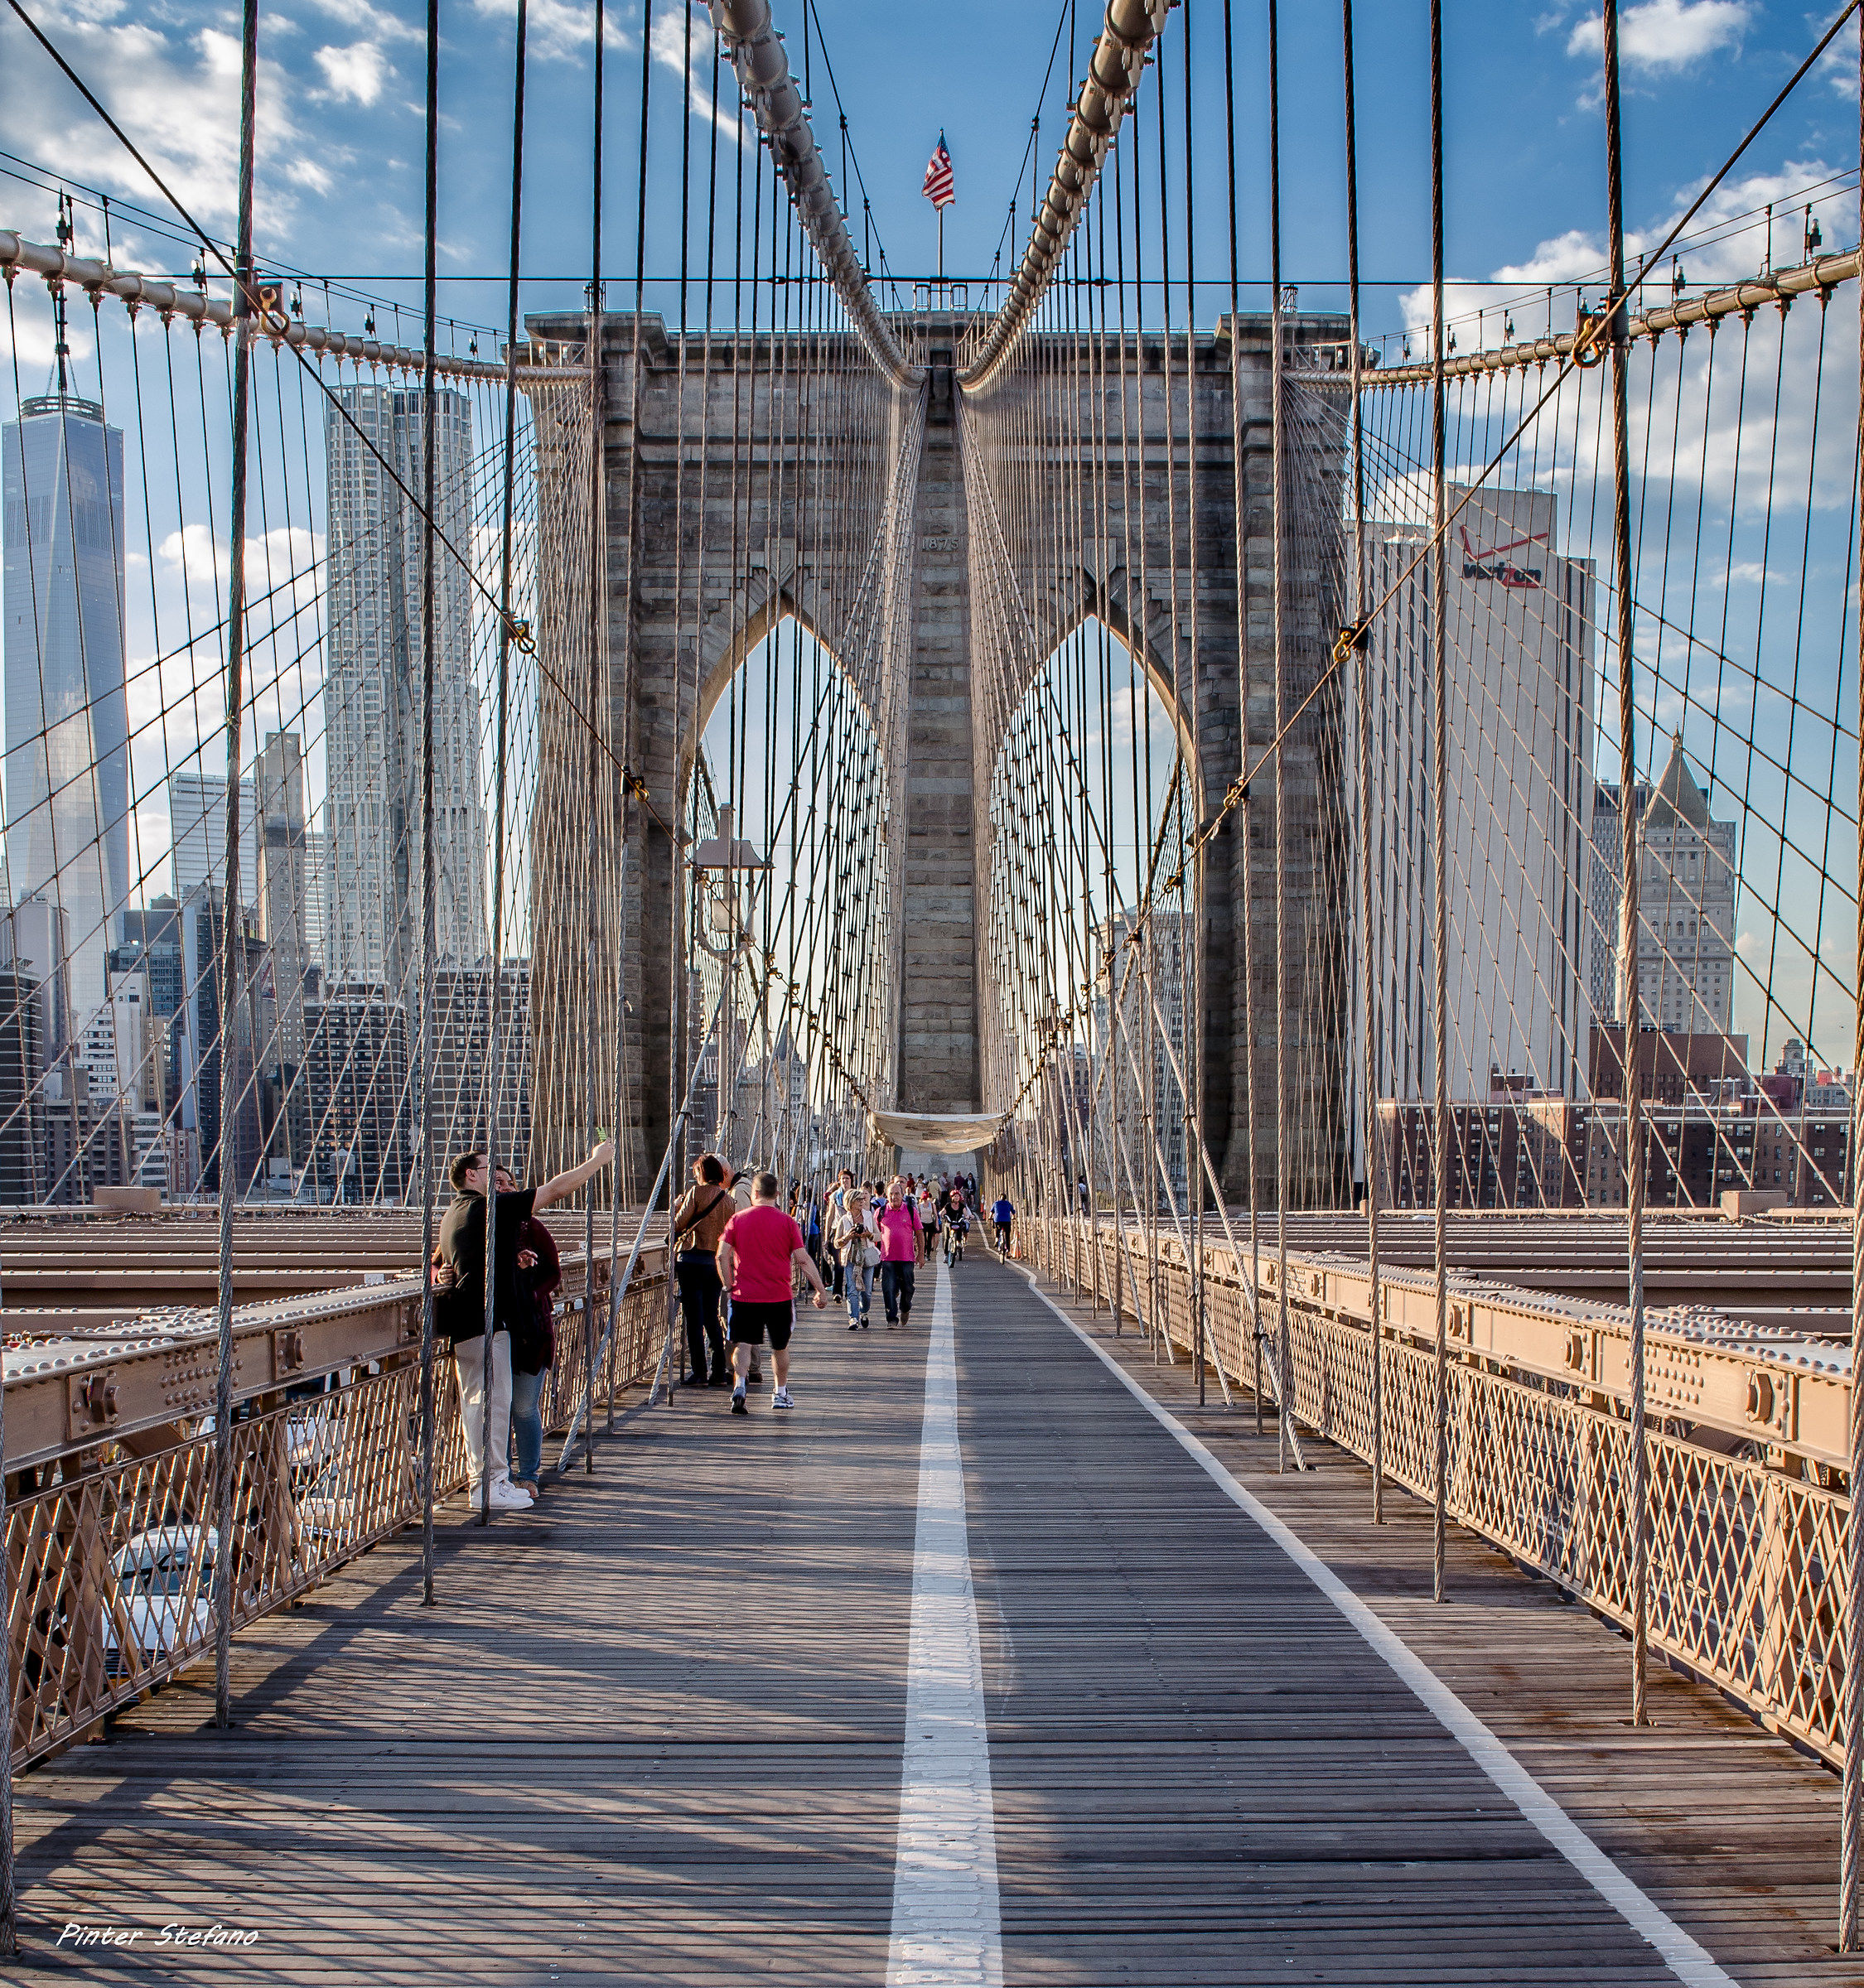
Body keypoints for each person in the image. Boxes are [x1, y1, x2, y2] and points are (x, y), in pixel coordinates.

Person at [436, 1138, 614, 1512]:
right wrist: (596, 1161)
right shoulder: (486, 1208)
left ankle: (493, 1481)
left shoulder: (453, 1213)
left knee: (483, 1404)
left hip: (468, 1322)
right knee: (493, 1405)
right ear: (471, 1175)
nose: (499, 1181)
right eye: (490, 1170)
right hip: (485, 1322)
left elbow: (449, 1261)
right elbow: (554, 1189)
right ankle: (491, 1485)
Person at [717, 1170, 828, 1413]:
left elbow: (721, 1254)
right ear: (777, 1194)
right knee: (780, 1347)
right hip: (778, 1296)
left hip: (744, 1295)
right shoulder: (787, 1222)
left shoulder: (737, 1220)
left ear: (754, 1193)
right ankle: (780, 1393)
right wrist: (820, 1289)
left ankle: (740, 1386)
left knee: (743, 1344)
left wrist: (728, 1283)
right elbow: (803, 1260)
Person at [499, 1166, 561, 1499]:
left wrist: (530, 1296)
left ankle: (527, 1475)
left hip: (530, 1330)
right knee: (498, 1406)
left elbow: (554, 1272)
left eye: (511, 1184)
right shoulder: (476, 1225)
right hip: (494, 1330)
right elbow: (440, 1258)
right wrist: (440, 1273)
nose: (508, 1189)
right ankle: (502, 1475)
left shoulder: (532, 1227)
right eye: (498, 1183)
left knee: (522, 1406)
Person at [670, 1154, 735, 1387]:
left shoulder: (695, 1193)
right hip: (715, 1262)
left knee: (694, 1320)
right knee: (711, 1316)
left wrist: (677, 1206)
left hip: (692, 1260)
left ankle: (699, 1372)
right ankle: (718, 1372)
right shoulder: (728, 1200)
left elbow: (678, 1223)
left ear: (702, 1173)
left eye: (697, 1171)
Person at [876, 1177, 920, 1329]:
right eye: (891, 1194)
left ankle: (905, 1307)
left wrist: (920, 1255)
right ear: (887, 1196)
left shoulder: (910, 1211)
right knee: (888, 1288)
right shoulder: (880, 1212)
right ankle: (891, 1319)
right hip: (887, 1257)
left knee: (908, 1287)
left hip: (907, 1257)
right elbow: (874, 1233)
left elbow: (919, 1232)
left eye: (897, 1194)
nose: (894, 1197)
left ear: (903, 1195)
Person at [833, 1187, 879, 1329]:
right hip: (851, 1257)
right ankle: (853, 1318)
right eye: (858, 1199)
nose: (862, 1201)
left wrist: (868, 1235)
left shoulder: (868, 1216)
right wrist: (847, 1237)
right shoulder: (844, 1220)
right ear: (851, 1202)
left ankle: (864, 1311)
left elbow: (879, 1236)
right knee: (852, 1290)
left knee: (867, 1292)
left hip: (867, 1255)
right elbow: (836, 1243)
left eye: (862, 1199)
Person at [825, 1169, 855, 1299]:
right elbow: (830, 1216)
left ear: (851, 1181)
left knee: (851, 1262)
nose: (845, 1181)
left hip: (852, 1232)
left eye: (847, 1178)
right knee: (838, 1263)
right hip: (837, 1231)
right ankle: (837, 1291)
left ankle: (850, 1290)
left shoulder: (856, 1196)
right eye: (843, 1179)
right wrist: (826, 1237)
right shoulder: (834, 1196)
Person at [941, 1189, 970, 1267]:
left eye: (958, 1196)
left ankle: (959, 1243)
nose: (956, 1198)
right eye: (955, 1196)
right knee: (947, 1238)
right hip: (949, 1223)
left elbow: (965, 1213)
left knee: (960, 1231)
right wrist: (942, 1214)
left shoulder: (961, 1206)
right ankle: (946, 1255)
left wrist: (967, 1216)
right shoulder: (948, 1205)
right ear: (952, 1197)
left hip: (958, 1223)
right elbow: (943, 1211)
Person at [916, 1180, 938, 1263]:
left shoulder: (932, 1205)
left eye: (926, 1199)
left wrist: (937, 1225)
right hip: (922, 1223)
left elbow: (935, 1215)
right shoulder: (919, 1206)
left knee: (929, 1240)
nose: (925, 1201)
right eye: (924, 1200)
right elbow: (918, 1216)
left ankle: (928, 1254)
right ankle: (924, 1253)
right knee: (923, 1239)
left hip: (930, 1223)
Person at [991, 1189, 1016, 1258]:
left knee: (997, 1230)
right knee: (1007, 1236)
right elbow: (1013, 1212)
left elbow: (992, 1212)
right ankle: (1008, 1252)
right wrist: (1013, 1217)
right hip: (1007, 1220)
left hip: (998, 1220)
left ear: (999, 1198)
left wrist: (990, 1217)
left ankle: (996, 1239)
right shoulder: (1008, 1204)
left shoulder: (996, 1203)